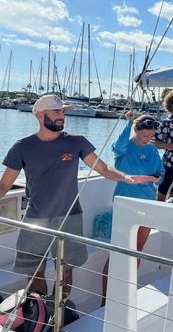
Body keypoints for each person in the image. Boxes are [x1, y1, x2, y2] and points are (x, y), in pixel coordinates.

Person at [0, 95, 155, 296]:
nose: (62, 116)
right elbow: (4, 185)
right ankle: (42, 319)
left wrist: (126, 177)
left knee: (65, 274)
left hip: (70, 218)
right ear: (39, 115)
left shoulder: (76, 142)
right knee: (34, 274)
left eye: (63, 111)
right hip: (35, 218)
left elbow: (104, 168)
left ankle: (60, 319)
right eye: (56, 111)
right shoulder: (22, 147)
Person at [101, 111, 165, 303]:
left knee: (137, 250)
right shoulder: (125, 147)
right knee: (118, 250)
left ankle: (125, 293)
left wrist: (156, 177)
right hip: (125, 204)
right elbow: (117, 146)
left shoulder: (152, 150)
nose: (148, 139)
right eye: (145, 135)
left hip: (147, 202)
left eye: (152, 136)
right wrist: (128, 123)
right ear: (136, 131)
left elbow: (160, 172)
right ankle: (105, 298)